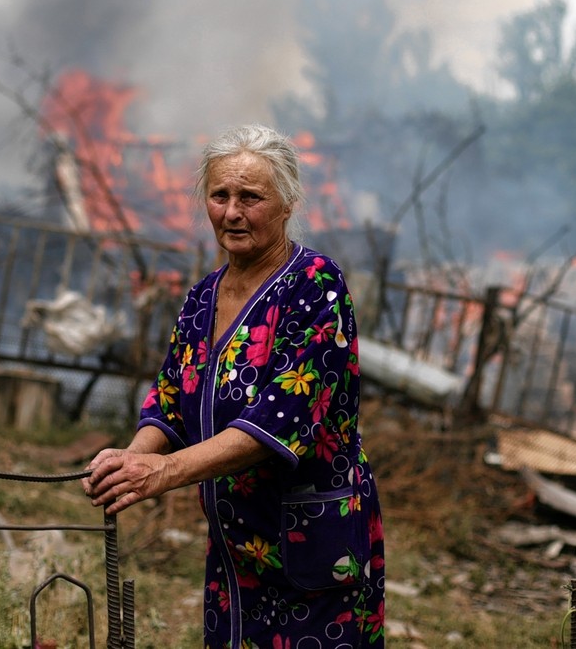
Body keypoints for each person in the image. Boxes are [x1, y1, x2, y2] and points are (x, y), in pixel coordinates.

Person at [83, 123, 386, 648]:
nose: (231, 212)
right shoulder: (202, 296)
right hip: (235, 547)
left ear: (287, 203)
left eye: (251, 197)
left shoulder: (315, 285)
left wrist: (165, 471)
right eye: (219, 195)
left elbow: (280, 419)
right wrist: (132, 460)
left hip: (309, 537)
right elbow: (171, 399)